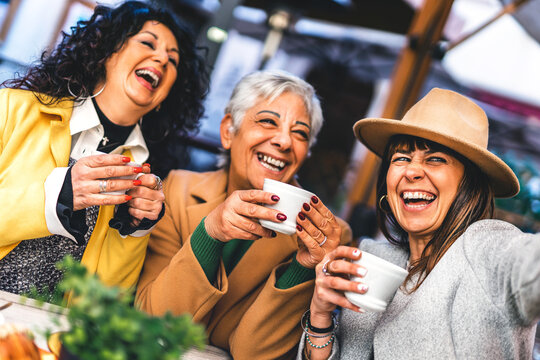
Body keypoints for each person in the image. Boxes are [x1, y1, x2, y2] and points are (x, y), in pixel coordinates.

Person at [298, 88, 540, 359]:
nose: (411, 171)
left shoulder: (488, 250)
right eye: (401, 158)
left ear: (469, 185)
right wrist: (321, 316)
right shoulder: (372, 258)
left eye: (435, 159)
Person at [135, 70, 352, 359]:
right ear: (228, 131)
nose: (285, 142)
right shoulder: (176, 189)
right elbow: (152, 320)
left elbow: (253, 353)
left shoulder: (326, 235)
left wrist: (303, 266)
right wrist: (210, 233)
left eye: (300, 133)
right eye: (267, 121)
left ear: (306, 153)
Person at [0, 1, 209, 296]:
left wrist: (137, 229)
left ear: (165, 97)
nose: (161, 59)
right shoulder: (10, 109)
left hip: (52, 338)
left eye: (172, 60)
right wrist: (56, 197)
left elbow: (110, 296)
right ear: (105, 53)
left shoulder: (144, 173)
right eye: (148, 43)